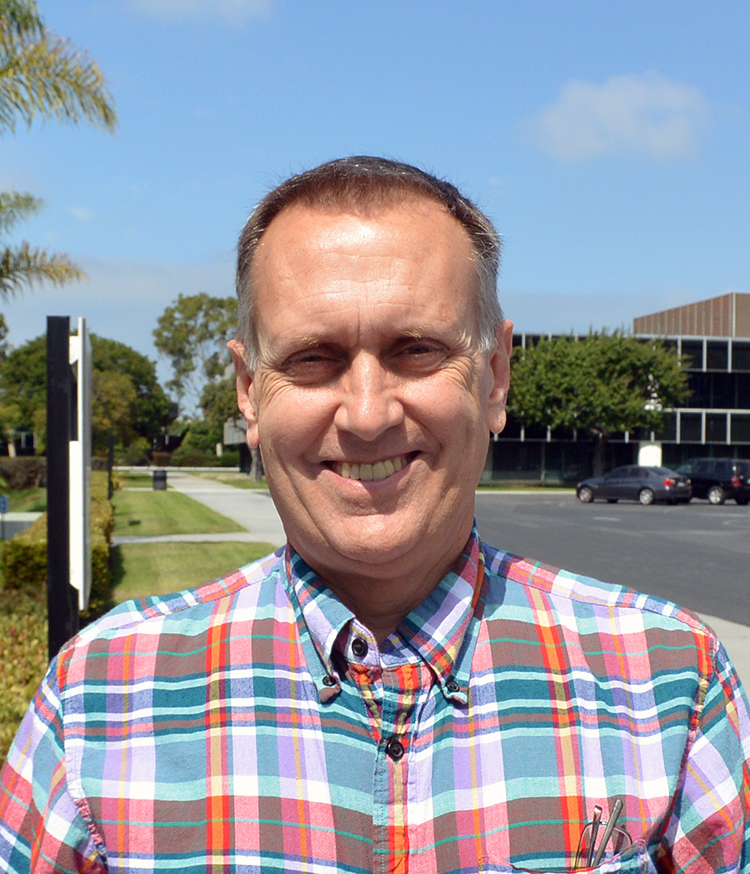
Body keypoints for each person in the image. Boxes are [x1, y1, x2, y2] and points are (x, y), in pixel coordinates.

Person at [1, 157, 748, 874]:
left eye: (416, 350)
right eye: (312, 358)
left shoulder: (669, 686)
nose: (366, 415)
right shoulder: (98, 700)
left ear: (494, 377)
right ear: (249, 392)